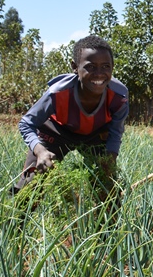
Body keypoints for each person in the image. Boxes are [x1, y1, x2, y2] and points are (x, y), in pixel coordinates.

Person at [13, 34, 128, 194]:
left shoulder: (119, 96)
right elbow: (26, 123)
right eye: (91, 67)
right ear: (75, 67)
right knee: (32, 182)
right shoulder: (58, 93)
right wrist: (40, 151)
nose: (99, 74)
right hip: (56, 131)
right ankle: (17, 218)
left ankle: (103, 216)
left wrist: (109, 162)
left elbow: (116, 132)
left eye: (105, 66)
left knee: (105, 189)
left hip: (95, 135)